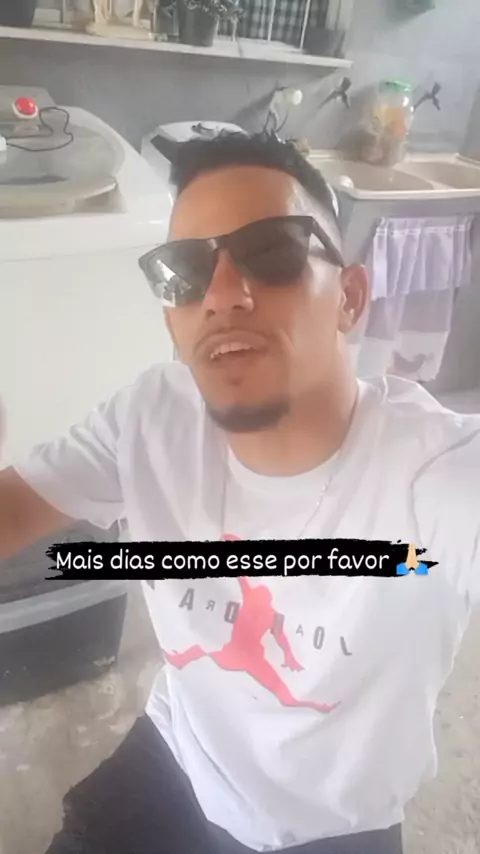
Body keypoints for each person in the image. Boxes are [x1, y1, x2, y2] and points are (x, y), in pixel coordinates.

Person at [0, 132, 479, 854]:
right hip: (181, 754)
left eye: (273, 251)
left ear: (350, 297)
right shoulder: (150, 417)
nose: (222, 295)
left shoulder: (432, 471)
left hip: (328, 826)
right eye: (185, 272)